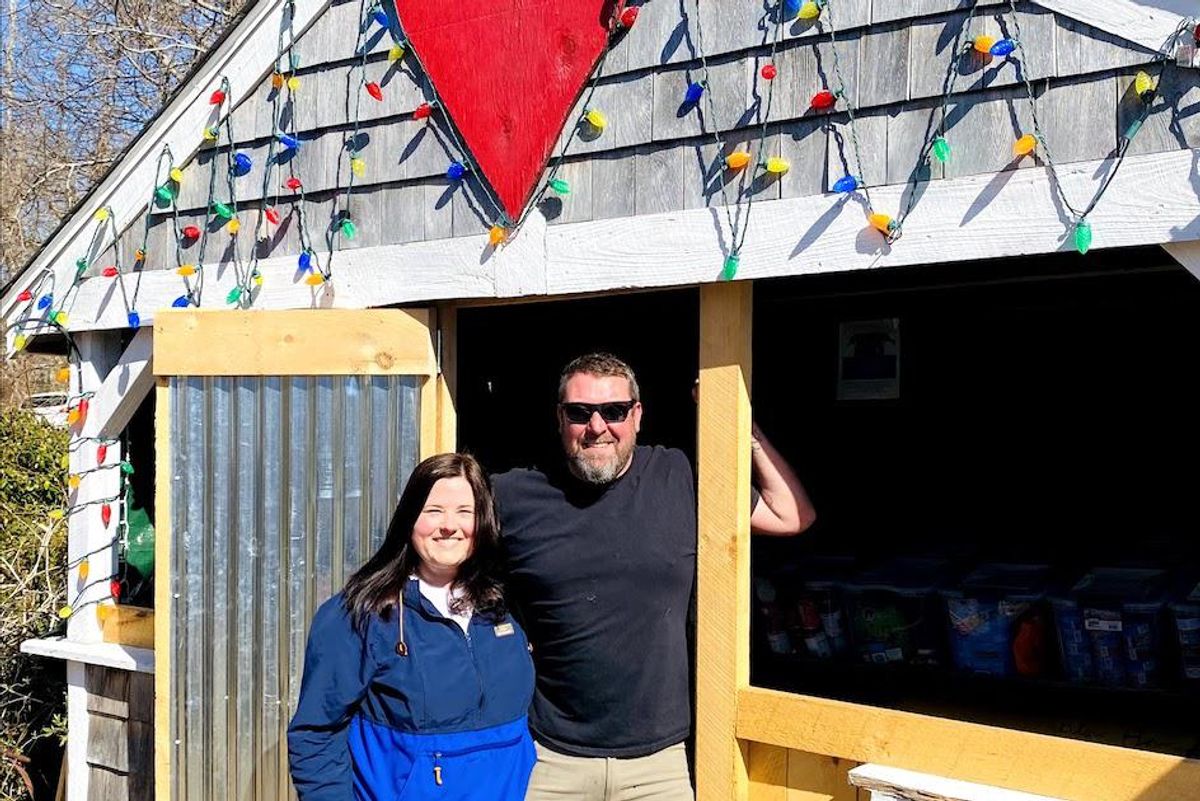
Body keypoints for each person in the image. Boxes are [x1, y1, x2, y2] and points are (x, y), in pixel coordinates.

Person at [493, 353, 815, 801]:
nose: (597, 426)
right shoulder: (513, 494)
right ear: (560, 418)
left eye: (614, 411)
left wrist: (743, 426)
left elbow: (791, 515)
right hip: (550, 759)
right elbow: (440, 545)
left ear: (637, 416)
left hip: (661, 765)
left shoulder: (680, 478)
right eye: (579, 413)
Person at [288, 453, 536, 801]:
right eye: (433, 511)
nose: (449, 525)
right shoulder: (361, 614)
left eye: (465, 512)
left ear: (484, 521)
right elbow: (316, 733)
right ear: (409, 518)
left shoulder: (508, 605)